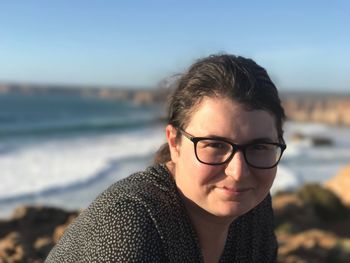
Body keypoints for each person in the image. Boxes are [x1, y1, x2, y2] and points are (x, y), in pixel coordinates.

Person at [45, 54, 286, 263]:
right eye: (214, 145)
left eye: (259, 147)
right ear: (175, 143)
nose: (239, 172)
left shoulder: (254, 209)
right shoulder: (130, 227)